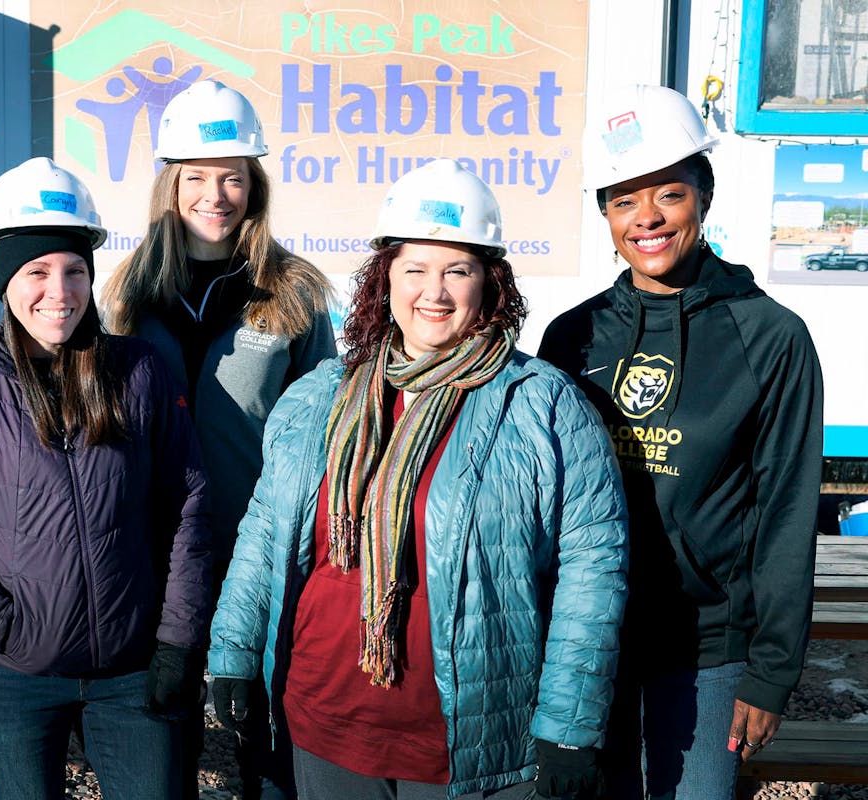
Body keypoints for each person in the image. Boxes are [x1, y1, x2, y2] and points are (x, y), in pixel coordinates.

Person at [207, 158, 629, 800]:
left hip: (467, 743)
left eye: (457, 270)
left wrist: (570, 726)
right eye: (415, 270)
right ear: (384, 281)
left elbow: (592, 575)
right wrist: (232, 655)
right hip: (323, 723)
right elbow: (264, 537)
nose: (434, 292)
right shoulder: (319, 396)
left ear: (489, 282)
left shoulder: (545, 407)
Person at [538, 84, 824, 800]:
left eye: (669, 193)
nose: (647, 219)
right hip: (590, 638)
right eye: (623, 200)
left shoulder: (770, 336)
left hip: (706, 649)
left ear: (704, 195)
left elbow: (788, 513)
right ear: (604, 214)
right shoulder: (573, 335)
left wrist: (772, 669)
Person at [0, 157, 212, 800]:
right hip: (15, 674)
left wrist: (178, 638)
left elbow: (188, 504)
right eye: (36, 271)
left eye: (74, 271)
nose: (59, 292)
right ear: (3, 283)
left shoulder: (140, 372)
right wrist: (0, 626)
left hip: (133, 667)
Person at [102, 79, 335, 799]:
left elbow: (323, 425)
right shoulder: (129, 293)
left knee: (264, 744)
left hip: (259, 550)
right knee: (164, 734)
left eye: (232, 177)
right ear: (170, 187)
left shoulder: (293, 290)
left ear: (253, 186)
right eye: (197, 177)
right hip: (159, 552)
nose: (215, 193)